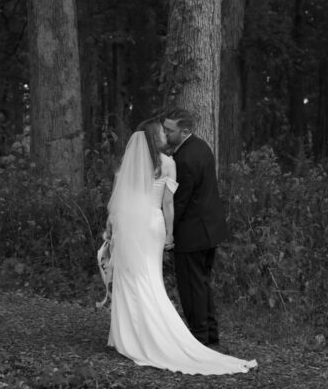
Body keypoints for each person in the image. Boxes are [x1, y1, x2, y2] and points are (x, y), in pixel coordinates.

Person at [103, 119, 256, 375]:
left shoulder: (131, 167)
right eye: (162, 132)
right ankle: (157, 332)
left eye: (168, 130)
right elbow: (169, 204)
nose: (165, 134)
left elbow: (120, 200)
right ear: (155, 138)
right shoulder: (168, 164)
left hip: (130, 225)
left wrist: (112, 225)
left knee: (129, 277)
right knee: (149, 278)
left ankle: (127, 334)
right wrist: (170, 235)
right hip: (152, 225)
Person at [163, 108, 229, 346]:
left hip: (192, 233)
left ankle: (199, 338)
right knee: (201, 283)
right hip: (210, 230)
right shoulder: (202, 147)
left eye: (170, 131)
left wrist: (166, 231)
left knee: (192, 287)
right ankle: (210, 333)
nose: (165, 133)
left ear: (185, 131)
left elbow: (179, 202)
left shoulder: (184, 159)